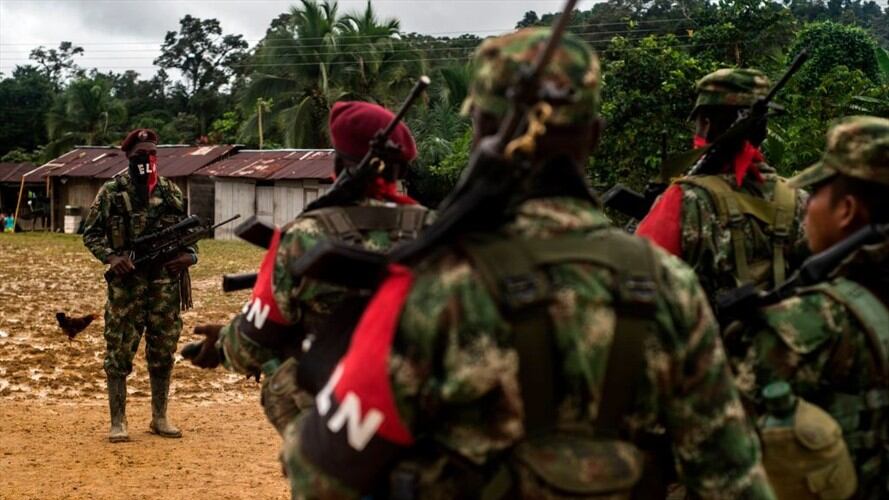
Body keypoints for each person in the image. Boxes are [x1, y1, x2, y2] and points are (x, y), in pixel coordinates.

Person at [277, 28, 774, 499]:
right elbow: (732, 479)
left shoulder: (437, 282)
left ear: (481, 136)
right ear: (594, 136)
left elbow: (322, 475)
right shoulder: (670, 286)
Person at [186, 101, 431, 436]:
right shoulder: (435, 230)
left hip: (338, 411)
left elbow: (254, 341)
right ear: (400, 170)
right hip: (422, 403)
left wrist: (221, 347)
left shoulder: (307, 234)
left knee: (282, 369)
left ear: (336, 164)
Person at [728, 116, 889, 499]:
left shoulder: (805, 325)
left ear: (846, 209)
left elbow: (726, 453)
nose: (806, 205)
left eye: (816, 192)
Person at [636, 68, 809, 307]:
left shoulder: (683, 200)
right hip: (785, 340)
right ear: (763, 131)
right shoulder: (801, 200)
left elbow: (637, 286)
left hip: (705, 342)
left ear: (705, 124)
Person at [83, 128, 197, 443]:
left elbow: (188, 235)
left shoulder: (171, 192)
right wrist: (111, 257)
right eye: (139, 156)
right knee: (118, 352)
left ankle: (160, 418)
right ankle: (118, 422)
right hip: (126, 288)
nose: (146, 160)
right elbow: (90, 234)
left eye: (151, 154)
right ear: (128, 157)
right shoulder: (110, 192)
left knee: (163, 351)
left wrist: (190, 257)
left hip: (165, 288)